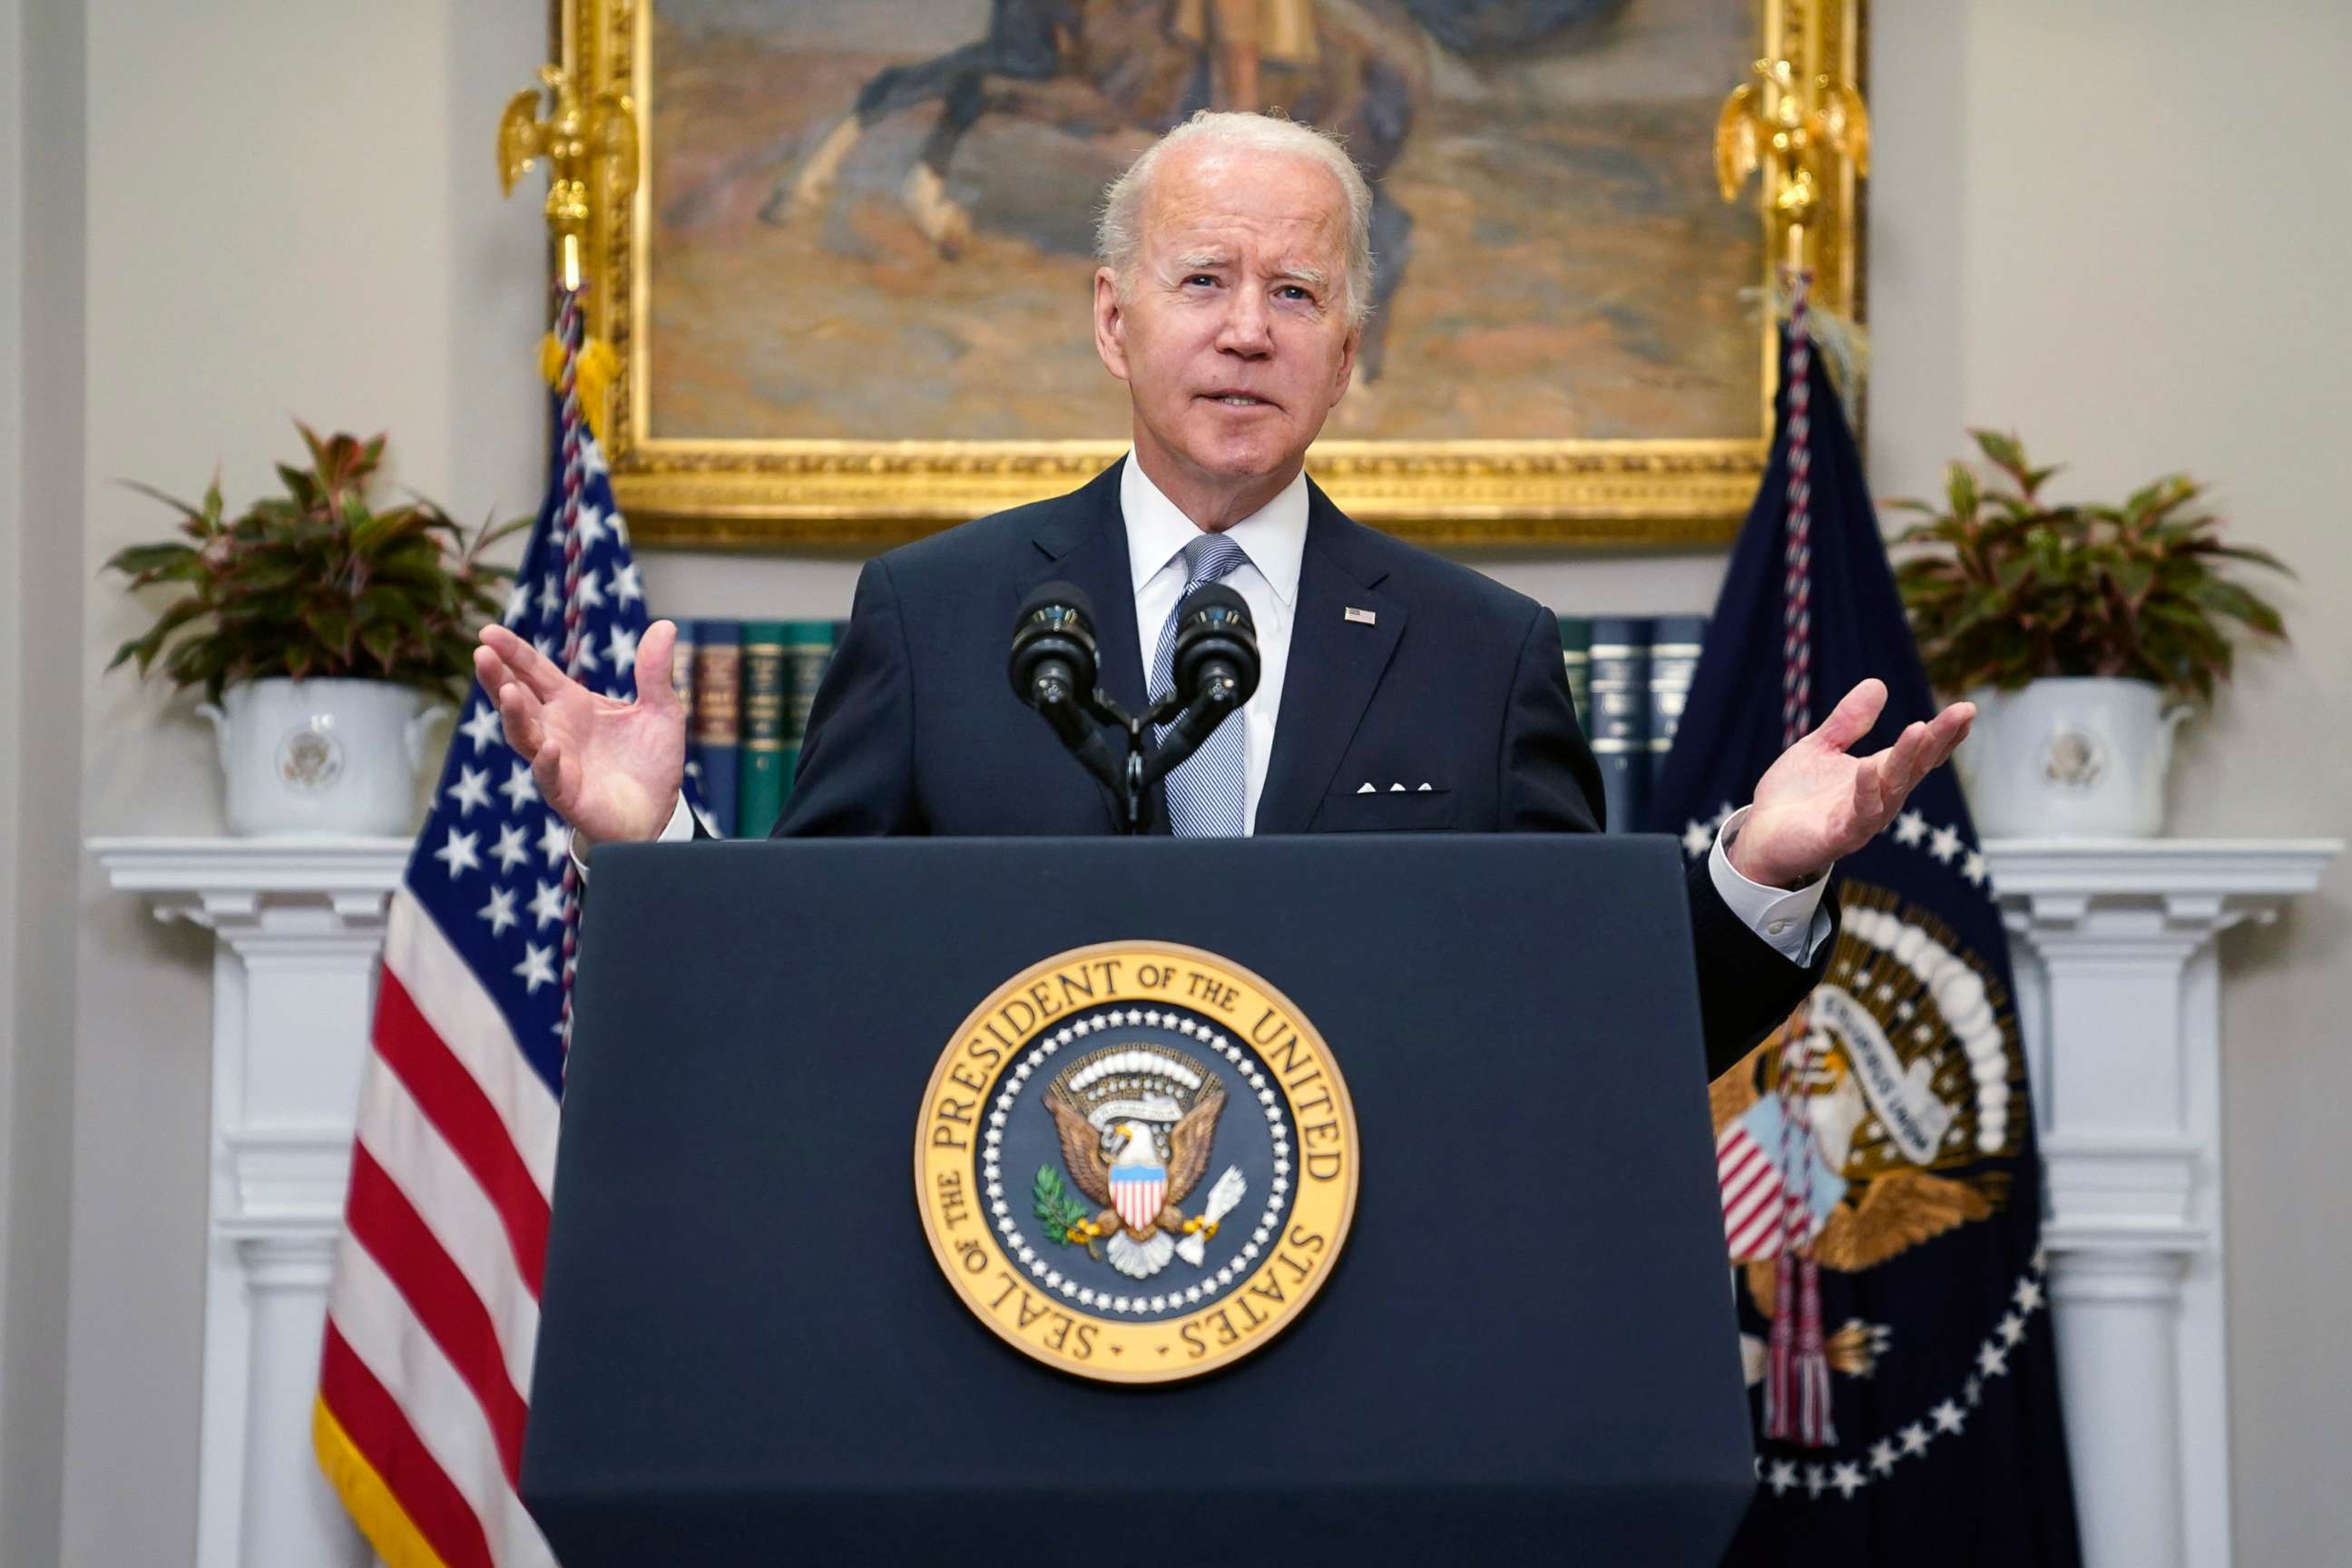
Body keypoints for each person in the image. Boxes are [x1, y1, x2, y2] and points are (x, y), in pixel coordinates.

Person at [473, 112, 1973, 1073]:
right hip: (1006, 1327)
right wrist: (651, 842)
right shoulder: (936, 616)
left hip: (1367, 1338)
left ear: (1349, 352)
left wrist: (1759, 875)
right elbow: (806, 1005)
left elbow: (1581, 1031)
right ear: (1115, 326)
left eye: (1298, 293)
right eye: (1205, 282)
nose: (1249, 331)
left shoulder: (1482, 652)